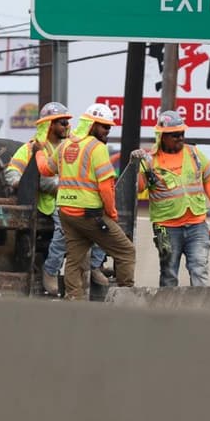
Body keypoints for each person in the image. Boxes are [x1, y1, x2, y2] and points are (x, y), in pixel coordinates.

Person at [3, 102, 103, 295]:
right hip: (52, 203)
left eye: (67, 122)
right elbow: (12, 171)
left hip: (78, 197)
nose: (67, 126)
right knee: (65, 230)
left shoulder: (73, 146)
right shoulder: (32, 148)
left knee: (100, 224)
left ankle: (93, 267)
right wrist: (23, 183)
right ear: (49, 125)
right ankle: (51, 270)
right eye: (62, 122)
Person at [51, 103, 136, 301]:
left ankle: (74, 300)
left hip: (66, 212)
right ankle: (126, 298)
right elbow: (106, 188)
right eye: (104, 126)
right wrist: (112, 213)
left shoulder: (65, 145)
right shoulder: (97, 148)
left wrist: (38, 151)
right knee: (126, 251)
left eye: (109, 127)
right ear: (92, 125)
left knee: (74, 258)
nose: (108, 131)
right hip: (89, 214)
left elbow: (47, 169)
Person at [131, 110, 210, 287]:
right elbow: (138, 187)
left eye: (182, 134)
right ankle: (169, 312)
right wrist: (135, 165)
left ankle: (200, 310)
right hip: (166, 227)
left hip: (197, 224)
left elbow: (209, 181)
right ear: (162, 136)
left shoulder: (193, 153)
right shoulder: (151, 160)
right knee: (169, 272)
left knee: (199, 268)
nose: (180, 138)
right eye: (174, 135)